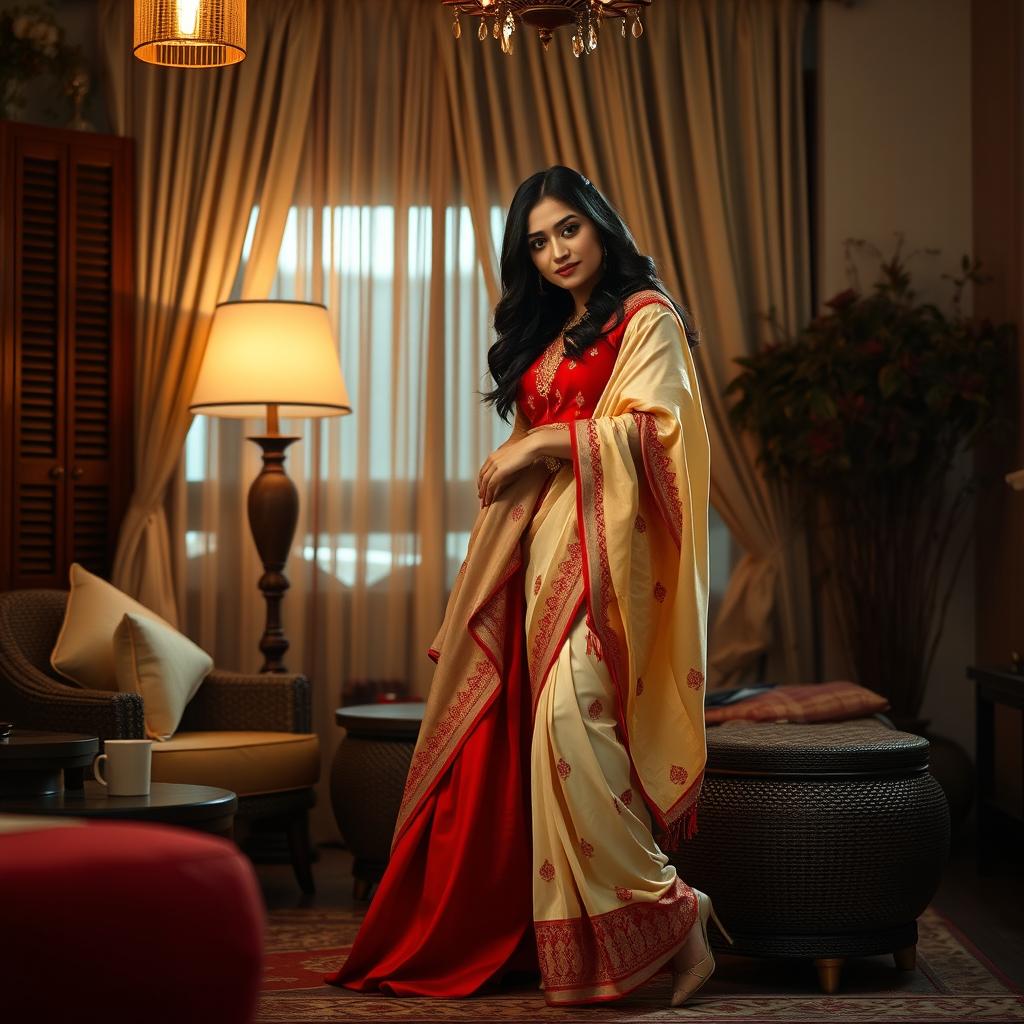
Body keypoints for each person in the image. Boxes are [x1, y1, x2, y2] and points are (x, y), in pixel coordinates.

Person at [324, 165, 731, 1008]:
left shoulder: (645, 318)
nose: (555, 252)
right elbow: (543, 441)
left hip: (607, 559)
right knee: (541, 744)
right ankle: (638, 929)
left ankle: (672, 911)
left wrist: (541, 447)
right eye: (537, 242)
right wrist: (525, 464)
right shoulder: (553, 334)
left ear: (600, 225)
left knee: (570, 721)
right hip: (536, 556)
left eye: (567, 230)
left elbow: (656, 437)